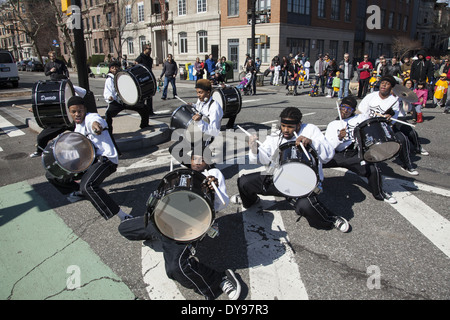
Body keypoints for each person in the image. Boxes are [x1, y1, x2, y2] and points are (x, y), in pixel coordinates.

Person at [118, 147, 241, 300]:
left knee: (176, 269)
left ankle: (218, 280)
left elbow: (223, 203)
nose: (196, 162)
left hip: (188, 225)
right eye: (194, 158)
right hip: (165, 218)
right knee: (125, 229)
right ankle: (161, 235)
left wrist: (213, 190)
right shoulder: (182, 173)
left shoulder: (213, 175)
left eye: (201, 159)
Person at [230, 107, 350, 233]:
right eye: (283, 125)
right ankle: (251, 200)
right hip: (278, 176)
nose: (285, 130)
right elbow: (264, 159)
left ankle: (330, 219)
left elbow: (328, 155)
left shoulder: (310, 130)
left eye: (290, 127)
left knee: (306, 206)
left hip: (304, 183)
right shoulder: (277, 135)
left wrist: (312, 143)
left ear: (299, 124)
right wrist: (254, 149)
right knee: (244, 182)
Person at [45, 96, 131, 221]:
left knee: (88, 186)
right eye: (74, 112)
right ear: (69, 112)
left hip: (106, 160)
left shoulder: (92, 117)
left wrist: (96, 127)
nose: (77, 114)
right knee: (52, 173)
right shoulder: (77, 127)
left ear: (85, 109)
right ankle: (78, 192)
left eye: (80, 111)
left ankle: (123, 216)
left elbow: (96, 123)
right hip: (88, 161)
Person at [323, 97, 397, 204]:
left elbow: (376, 123)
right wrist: (339, 138)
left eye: (349, 109)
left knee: (373, 169)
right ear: (339, 107)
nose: (345, 111)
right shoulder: (333, 124)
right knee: (315, 162)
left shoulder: (362, 117)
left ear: (353, 110)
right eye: (343, 107)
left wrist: (388, 117)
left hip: (355, 155)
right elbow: (329, 147)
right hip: (337, 154)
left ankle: (380, 193)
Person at [358, 75, 420, 175]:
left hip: (385, 126)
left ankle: (406, 165)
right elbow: (360, 112)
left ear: (391, 88)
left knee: (402, 139)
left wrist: (388, 118)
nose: (384, 86)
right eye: (382, 83)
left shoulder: (393, 101)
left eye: (387, 84)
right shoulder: (370, 96)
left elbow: (393, 119)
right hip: (368, 124)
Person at [29, 76, 87, 158]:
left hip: (74, 120)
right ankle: (40, 151)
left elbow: (84, 92)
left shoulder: (70, 89)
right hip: (61, 121)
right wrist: (35, 109)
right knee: (41, 137)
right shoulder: (55, 94)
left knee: (83, 137)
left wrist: (68, 85)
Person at [103, 61, 151, 135]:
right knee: (108, 115)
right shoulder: (109, 79)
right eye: (113, 68)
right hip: (116, 102)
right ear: (110, 69)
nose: (115, 69)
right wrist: (109, 97)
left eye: (116, 67)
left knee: (143, 108)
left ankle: (144, 125)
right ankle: (108, 132)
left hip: (126, 100)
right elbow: (107, 91)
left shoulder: (121, 76)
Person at [135, 44, 155, 116]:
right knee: (143, 97)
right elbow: (136, 65)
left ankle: (150, 111)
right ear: (144, 49)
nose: (149, 50)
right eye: (148, 49)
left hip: (149, 77)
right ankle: (142, 112)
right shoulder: (140, 57)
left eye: (150, 49)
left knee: (150, 95)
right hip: (142, 78)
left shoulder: (149, 59)